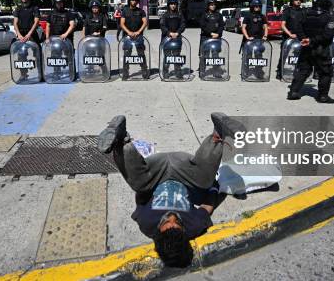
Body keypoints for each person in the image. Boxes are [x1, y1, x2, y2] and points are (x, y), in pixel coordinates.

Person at [97, 113, 237, 268]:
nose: (171, 217)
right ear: (185, 233)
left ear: (158, 233)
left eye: (166, 221)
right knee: (205, 182)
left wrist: (146, 187)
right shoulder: (194, 227)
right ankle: (218, 134)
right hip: (184, 172)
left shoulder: (146, 223)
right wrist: (215, 188)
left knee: (139, 185)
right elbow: (206, 207)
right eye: (177, 222)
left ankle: (120, 140)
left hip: (156, 172)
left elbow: (140, 199)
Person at [287, 0, 334, 103]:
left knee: (303, 70)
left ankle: (293, 92)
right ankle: (323, 96)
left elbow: (298, 28)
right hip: (321, 49)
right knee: (325, 72)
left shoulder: (305, 13)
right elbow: (327, 35)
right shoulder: (328, 17)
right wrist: (311, 40)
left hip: (306, 47)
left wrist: (304, 39)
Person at [44, 0, 76, 78]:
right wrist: (47, 37)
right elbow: (48, 26)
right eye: (57, 2)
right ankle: (56, 73)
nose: (59, 4)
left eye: (61, 2)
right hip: (54, 40)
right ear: (55, 3)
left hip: (66, 39)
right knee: (55, 57)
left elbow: (72, 25)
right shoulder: (51, 14)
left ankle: (71, 73)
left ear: (63, 3)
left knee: (69, 57)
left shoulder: (69, 13)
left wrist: (66, 34)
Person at [120, 0, 150, 79]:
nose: (134, 1)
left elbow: (145, 22)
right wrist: (129, 32)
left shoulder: (141, 11)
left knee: (141, 53)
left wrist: (138, 32)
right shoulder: (125, 11)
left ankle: (144, 70)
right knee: (127, 54)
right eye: (132, 0)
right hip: (127, 36)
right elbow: (122, 23)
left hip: (138, 36)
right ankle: (125, 71)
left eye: (136, 0)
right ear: (129, 0)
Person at [276, 0, 305, 80]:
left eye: (300, 0)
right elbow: (283, 25)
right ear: (292, 1)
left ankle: (297, 71)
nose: (298, 1)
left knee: (299, 56)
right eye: (296, 0)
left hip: (300, 37)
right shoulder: (287, 11)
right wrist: (289, 34)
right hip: (288, 37)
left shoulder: (303, 11)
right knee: (284, 55)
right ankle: (280, 71)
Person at [240, 0, 268, 79]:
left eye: (259, 6)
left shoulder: (262, 16)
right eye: (255, 6)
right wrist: (247, 37)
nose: (257, 7)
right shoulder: (248, 16)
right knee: (248, 56)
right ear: (252, 6)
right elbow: (243, 27)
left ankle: (258, 72)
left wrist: (265, 36)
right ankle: (246, 72)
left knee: (259, 56)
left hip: (259, 40)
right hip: (249, 40)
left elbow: (265, 27)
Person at [159, 0, 186, 79]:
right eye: (171, 4)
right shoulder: (165, 15)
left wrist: (178, 32)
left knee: (176, 56)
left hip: (177, 38)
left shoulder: (180, 14)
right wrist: (169, 33)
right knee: (167, 56)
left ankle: (178, 72)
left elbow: (183, 24)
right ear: (168, 5)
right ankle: (165, 72)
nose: (173, 5)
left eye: (174, 4)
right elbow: (162, 26)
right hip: (167, 39)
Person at [199, 0, 225, 78]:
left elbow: (221, 26)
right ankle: (202, 71)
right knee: (205, 55)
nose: (213, 6)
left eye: (214, 4)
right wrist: (211, 34)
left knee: (215, 55)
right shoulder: (204, 15)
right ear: (207, 5)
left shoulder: (219, 15)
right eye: (211, 4)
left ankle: (216, 71)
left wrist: (218, 34)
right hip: (205, 37)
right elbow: (203, 26)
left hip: (216, 38)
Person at [82, 0, 110, 77]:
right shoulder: (88, 17)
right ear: (91, 8)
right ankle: (90, 72)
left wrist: (99, 33)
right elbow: (84, 28)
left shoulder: (102, 17)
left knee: (100, 57)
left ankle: (105, 72)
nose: (95, 9)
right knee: (90, 57)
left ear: (99, 8)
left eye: (96, 7)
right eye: (93, 7)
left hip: (100, 41)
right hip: (90, 41)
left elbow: (105, 27)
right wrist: (84, 38)